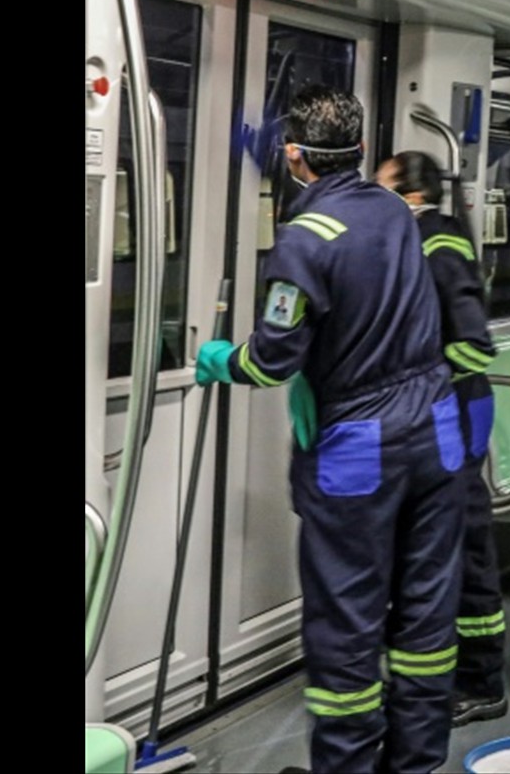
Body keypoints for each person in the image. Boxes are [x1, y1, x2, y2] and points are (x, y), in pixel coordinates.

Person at [194, 87, 463, 773]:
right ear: (360, 151)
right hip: (438, 427)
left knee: (347, 622)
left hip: (361, 445)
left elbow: (273, 358)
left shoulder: (302, 241)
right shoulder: (394, 211)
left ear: (294, 158)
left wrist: (224, 360)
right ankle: (416, 764)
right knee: (426, 617)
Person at [374, 151, 508, 728]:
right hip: (434, 415)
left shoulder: (440, 243)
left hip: (455, 413)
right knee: (425, 549)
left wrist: (423, 386)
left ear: (410, 192)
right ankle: (427, 676)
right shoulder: (409, 240)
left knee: (465, 547)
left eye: (380, 186)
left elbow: (470, 343)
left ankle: (482, 682)